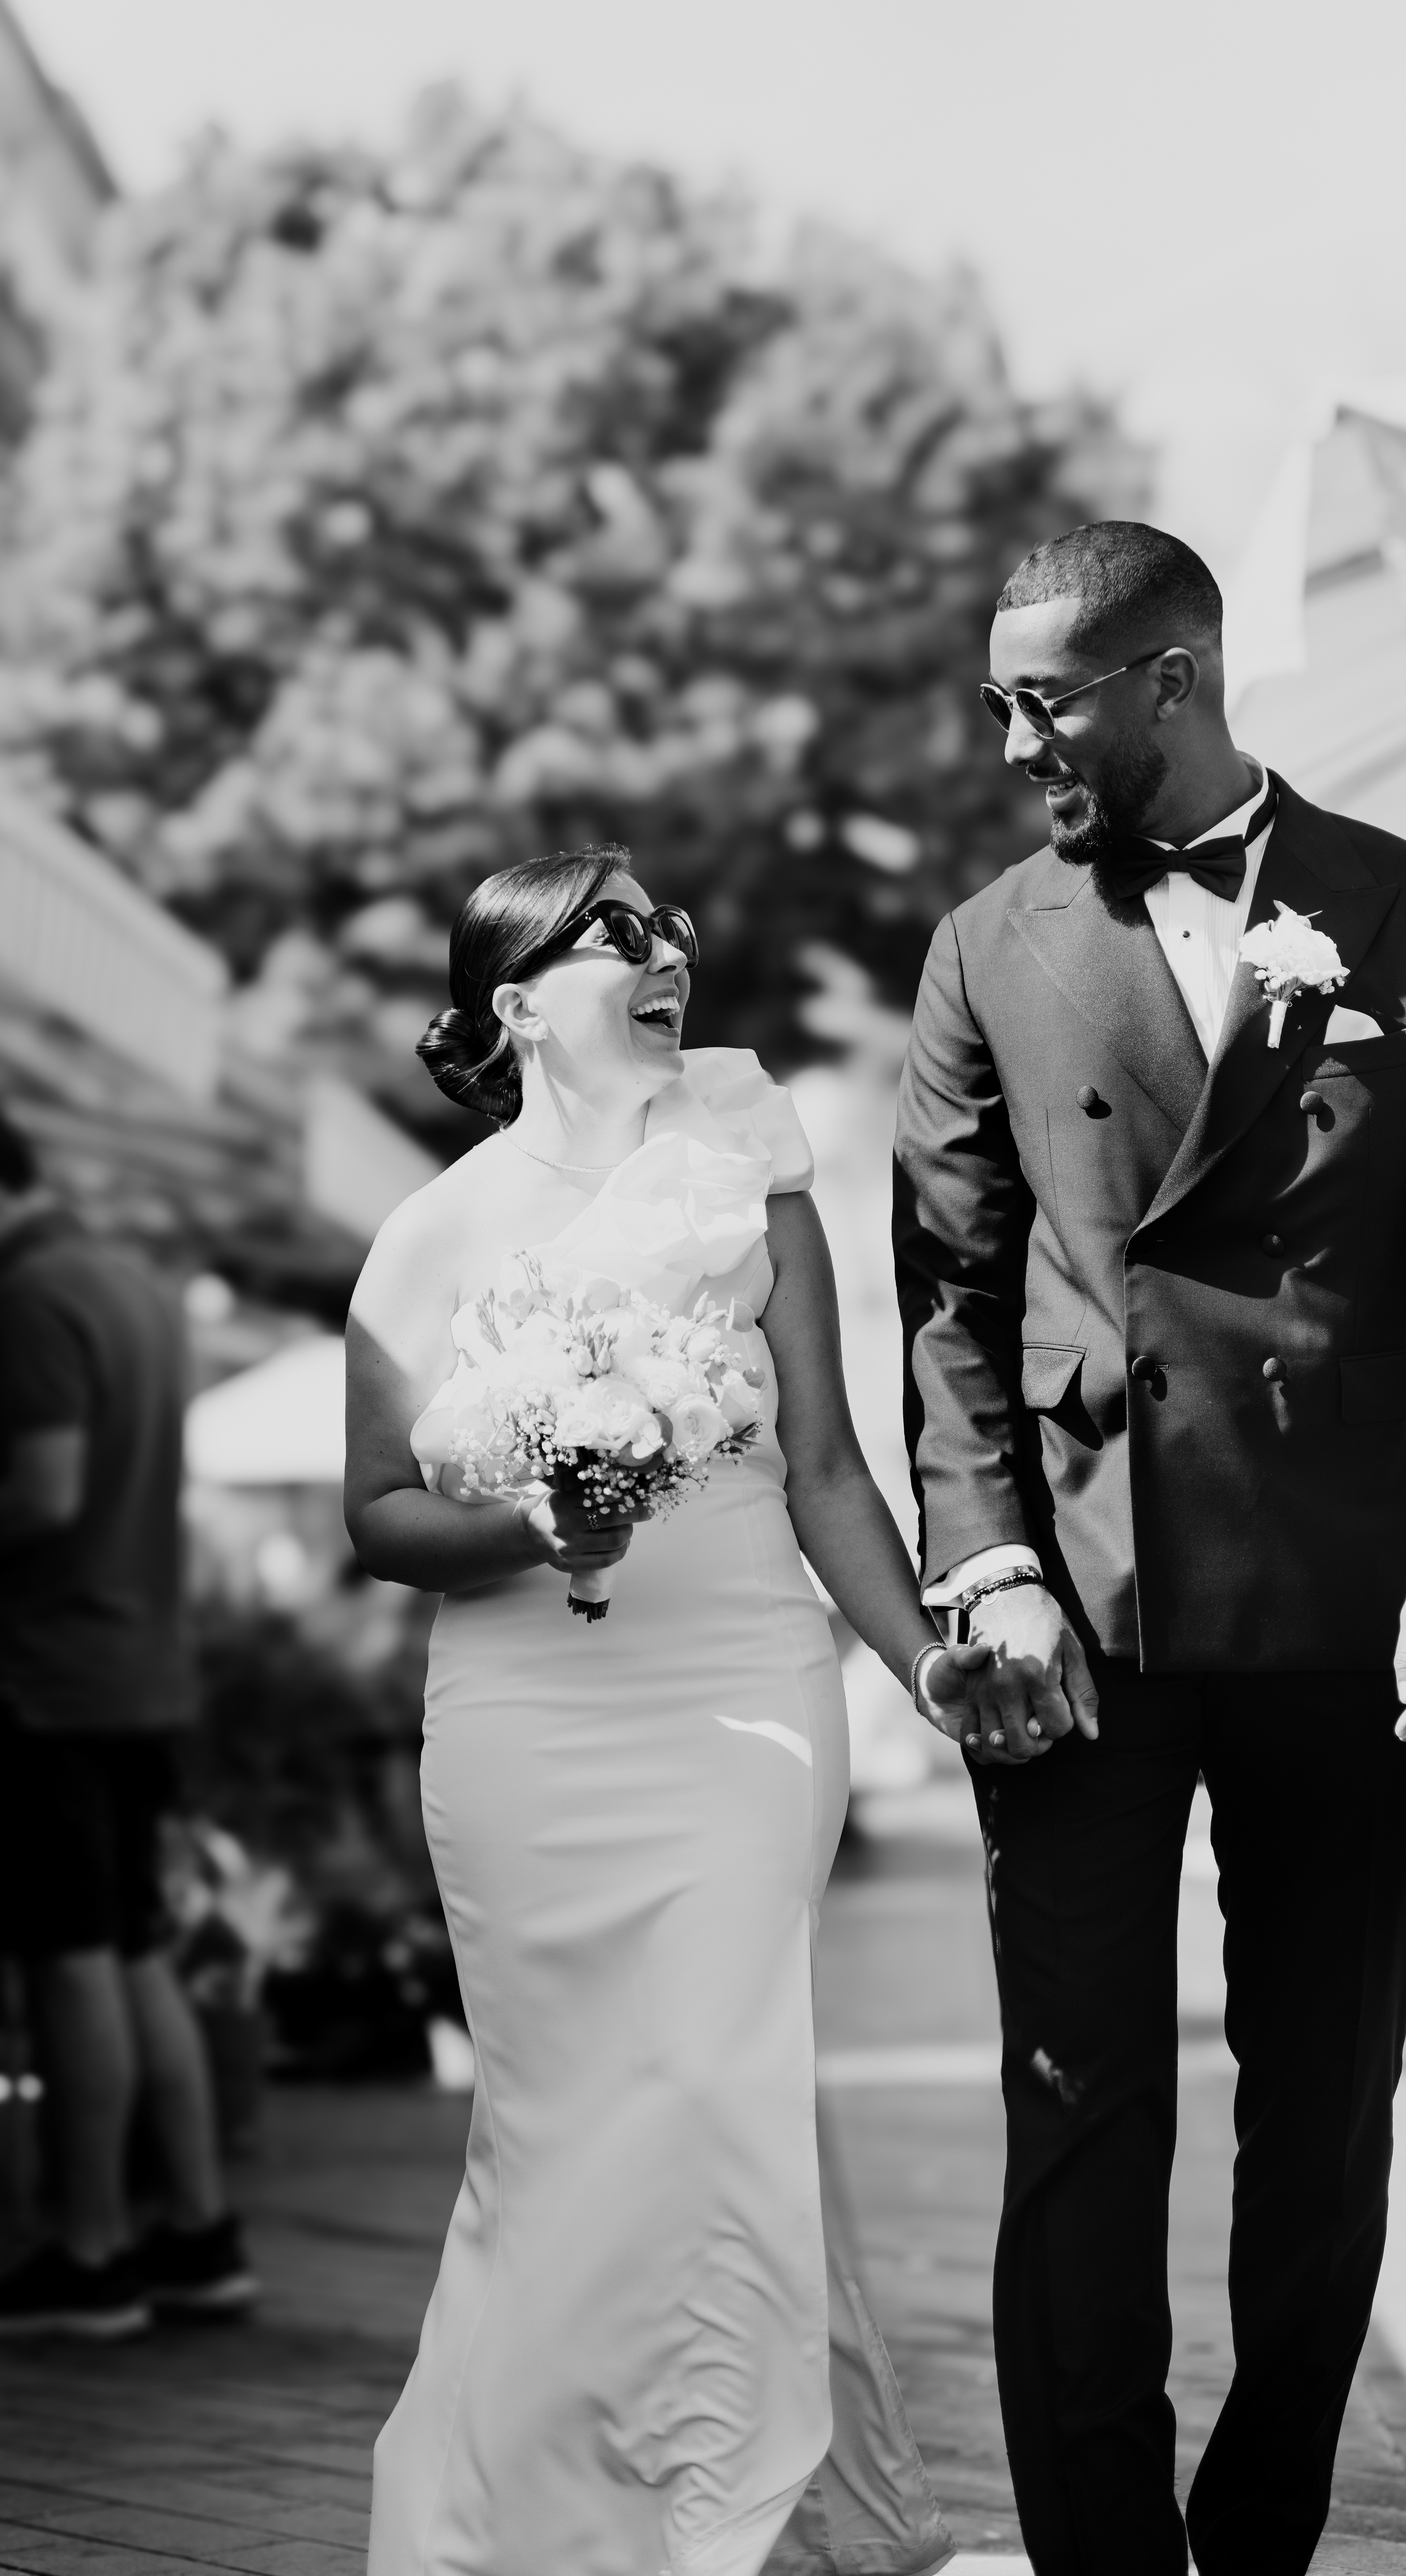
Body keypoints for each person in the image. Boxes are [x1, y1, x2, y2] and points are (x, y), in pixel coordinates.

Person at [893, 521, 1406, 2576]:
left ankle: (1264, 2527)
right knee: (1078, 2101)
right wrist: (988, 1564)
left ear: (1171, 678)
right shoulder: (987, 943)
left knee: (1329, 2102)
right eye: (1000, 703)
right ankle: (1103, 2556)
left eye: (1044, 702)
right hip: (1078, 1604)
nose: (1015, 744)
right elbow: (948, 1294)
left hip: (1344, 1595)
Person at [349, 846, 979, 2576]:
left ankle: (722, 2512)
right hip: (521, 1725)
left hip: (743, 1702)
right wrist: (532, 1526)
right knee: (561, 2122)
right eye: (612, 933)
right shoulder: (429, 1233)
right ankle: (530, 2515)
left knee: (709, 2075)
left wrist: (923, 1663)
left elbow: (829, 1471)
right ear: (516, 1005)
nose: (663, 951)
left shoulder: (749, 1181)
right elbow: (378, 1516)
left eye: (669, 925)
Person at [0, 1110, 256, 2339]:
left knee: (71, 1959)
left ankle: (91, 2251)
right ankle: (196, 2234)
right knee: (138, 1949)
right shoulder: (132, 1286)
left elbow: (42, 1493)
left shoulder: (29, 1298)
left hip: (47, 1674)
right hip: (139, 1668)